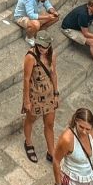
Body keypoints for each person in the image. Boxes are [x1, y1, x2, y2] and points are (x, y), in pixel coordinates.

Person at [21, 30, 58, 164]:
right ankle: (28, 142)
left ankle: (51, 151)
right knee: (30, 119)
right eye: (40, 46)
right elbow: (26, 79)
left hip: (48, 95)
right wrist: (26, 100)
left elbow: (53, 74)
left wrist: (56, 93)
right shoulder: (31, 57)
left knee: (49, 123)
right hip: (35, 95)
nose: (42, 49)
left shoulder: (52, 55)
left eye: (44, 46)